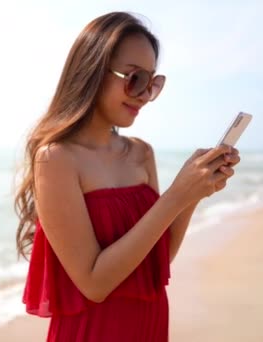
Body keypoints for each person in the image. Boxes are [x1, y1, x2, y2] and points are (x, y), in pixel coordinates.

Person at [14, 11, 241, 341]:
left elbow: (159, 258)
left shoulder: (141, 153)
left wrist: (192, 195)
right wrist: (176, 196)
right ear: (92, 70)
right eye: (134, 78)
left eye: (151, 83)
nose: (143, 95)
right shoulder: (57, 159)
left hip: (150, 324)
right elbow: (93, 283)